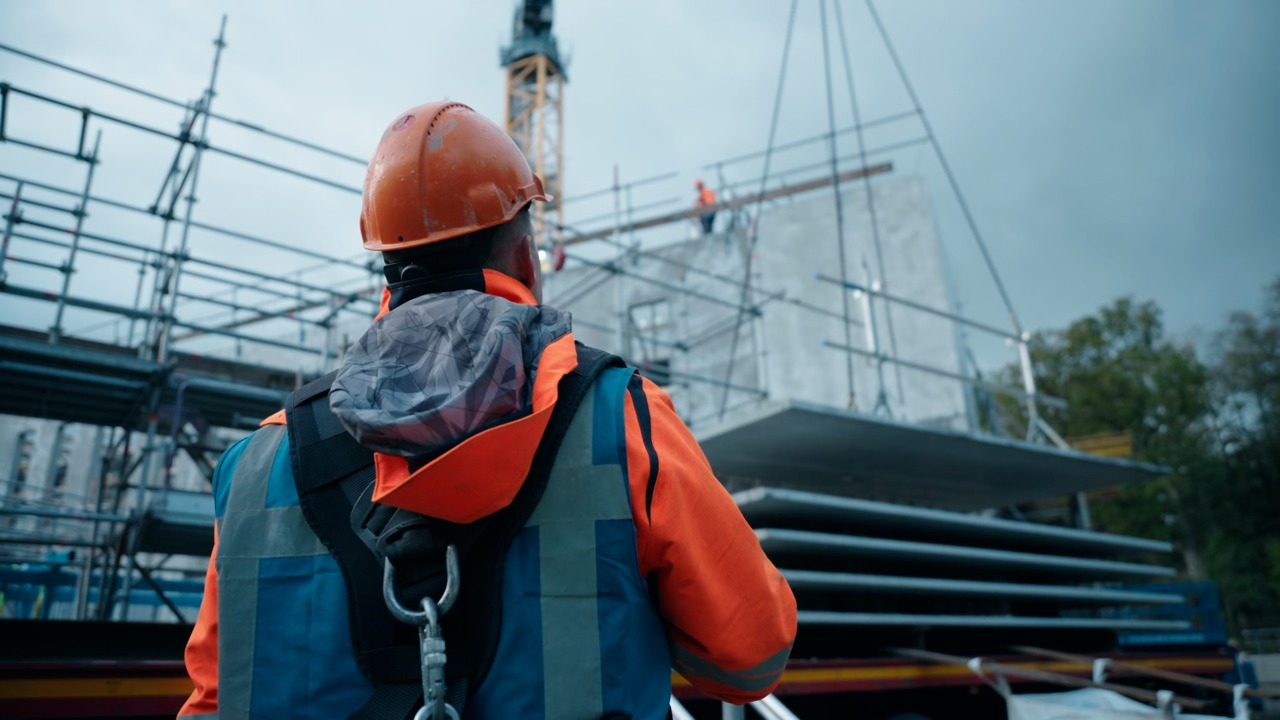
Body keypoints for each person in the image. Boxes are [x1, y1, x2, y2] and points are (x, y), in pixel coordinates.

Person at [179, 101, 796, 720]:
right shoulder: (622, 417)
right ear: (526, 260)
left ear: (387, 278)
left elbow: (213, 698)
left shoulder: (256, 463)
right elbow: (748, 656)